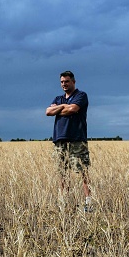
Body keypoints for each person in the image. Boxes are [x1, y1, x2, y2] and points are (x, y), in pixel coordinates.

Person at [45, 70, 92, 209]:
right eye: (62, 82)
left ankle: (88, 202)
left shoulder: (81, 95)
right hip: (60, 139)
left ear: (74, 82)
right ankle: (63, 201)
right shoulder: (58, 98)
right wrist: (63, 107)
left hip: (77, 139)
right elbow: (48, 112)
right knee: (62, 172)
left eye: (67, 81)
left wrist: (59, 109)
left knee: (83, 171)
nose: (64, 84)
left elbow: (72, 109)